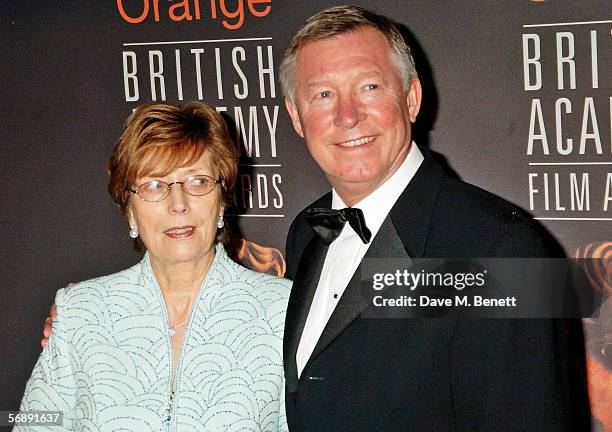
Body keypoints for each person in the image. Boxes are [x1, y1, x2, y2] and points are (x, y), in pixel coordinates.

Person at [277, 5, 588, 432]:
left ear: (411, 99)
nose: (347, 116)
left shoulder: (504, 250)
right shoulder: (304, 235)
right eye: (323, 95)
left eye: (369, 86)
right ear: (296, 116)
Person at [21, 102, 289, 431]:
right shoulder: (80, 311)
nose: (178, 204)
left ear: (222, 200)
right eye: (154, 186)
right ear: (130, 211)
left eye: (198, 182)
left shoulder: (284, 311)